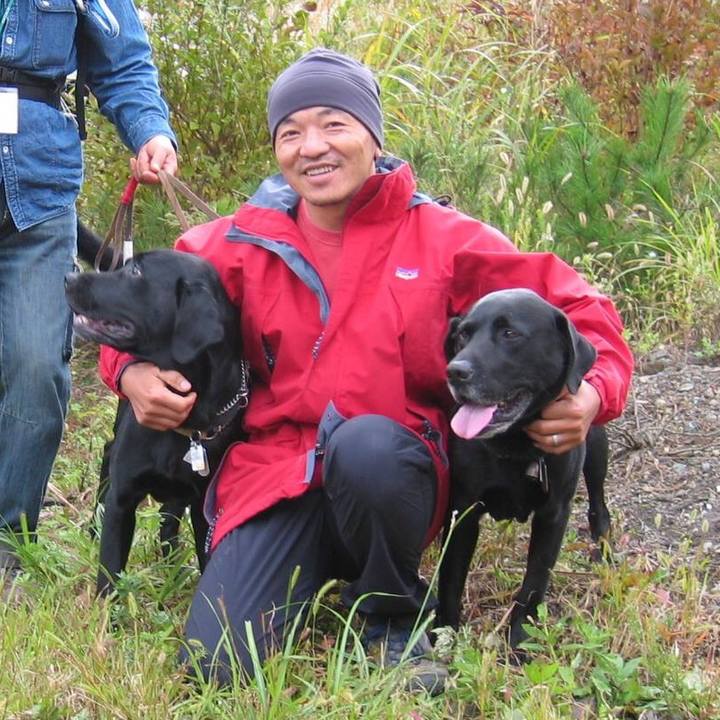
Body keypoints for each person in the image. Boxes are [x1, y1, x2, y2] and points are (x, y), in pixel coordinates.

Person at [99, 48, 633, 693]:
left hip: (392, 475)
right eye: (290, 132)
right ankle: (312, 566)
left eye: (334, 124)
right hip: (276, 477)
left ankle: (392, 617)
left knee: (367, 443)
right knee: (218, 666)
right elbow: (137, 303)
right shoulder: (241, 242)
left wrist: (592, 394)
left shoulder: (445, 239)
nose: (312, 147)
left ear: (373, 136)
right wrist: (128, 370)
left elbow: (582, 311)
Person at [0, 1, 177, 586]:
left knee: (35, 368)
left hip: (37, 192)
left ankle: (8, 545)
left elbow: (122, 62)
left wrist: (151, 131)